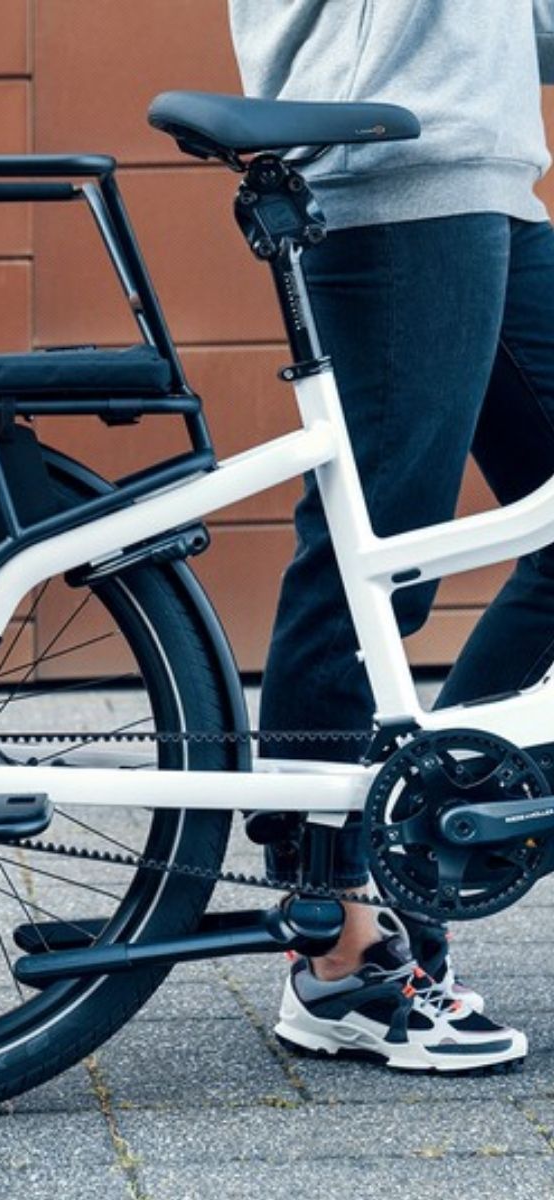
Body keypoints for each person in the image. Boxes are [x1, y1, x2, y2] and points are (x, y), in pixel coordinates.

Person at [228, 0, 554, 1072]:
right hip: (389, 175)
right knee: (376, 558)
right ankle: (338, 956)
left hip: (492, 174)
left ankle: (436, 810)